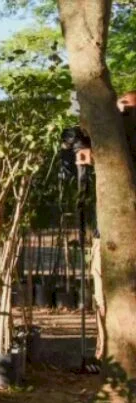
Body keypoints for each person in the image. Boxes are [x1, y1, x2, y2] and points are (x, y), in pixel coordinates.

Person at [75, 89, 136, 360]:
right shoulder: (109, 142)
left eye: (127, 109)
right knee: (103, 295)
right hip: (106, 233)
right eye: (120, 108)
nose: (122, 114)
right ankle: (107, 353)